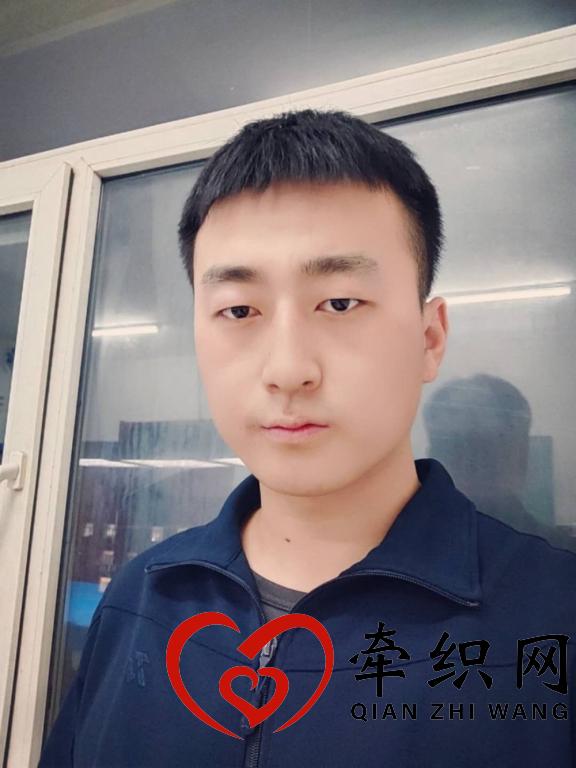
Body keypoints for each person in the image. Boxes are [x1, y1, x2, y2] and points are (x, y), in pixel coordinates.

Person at [38, 109, 576, 768]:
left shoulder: (553, 616)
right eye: (240, 310)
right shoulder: (142, 598)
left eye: (340, 303)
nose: (288, 369)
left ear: (430, 338)